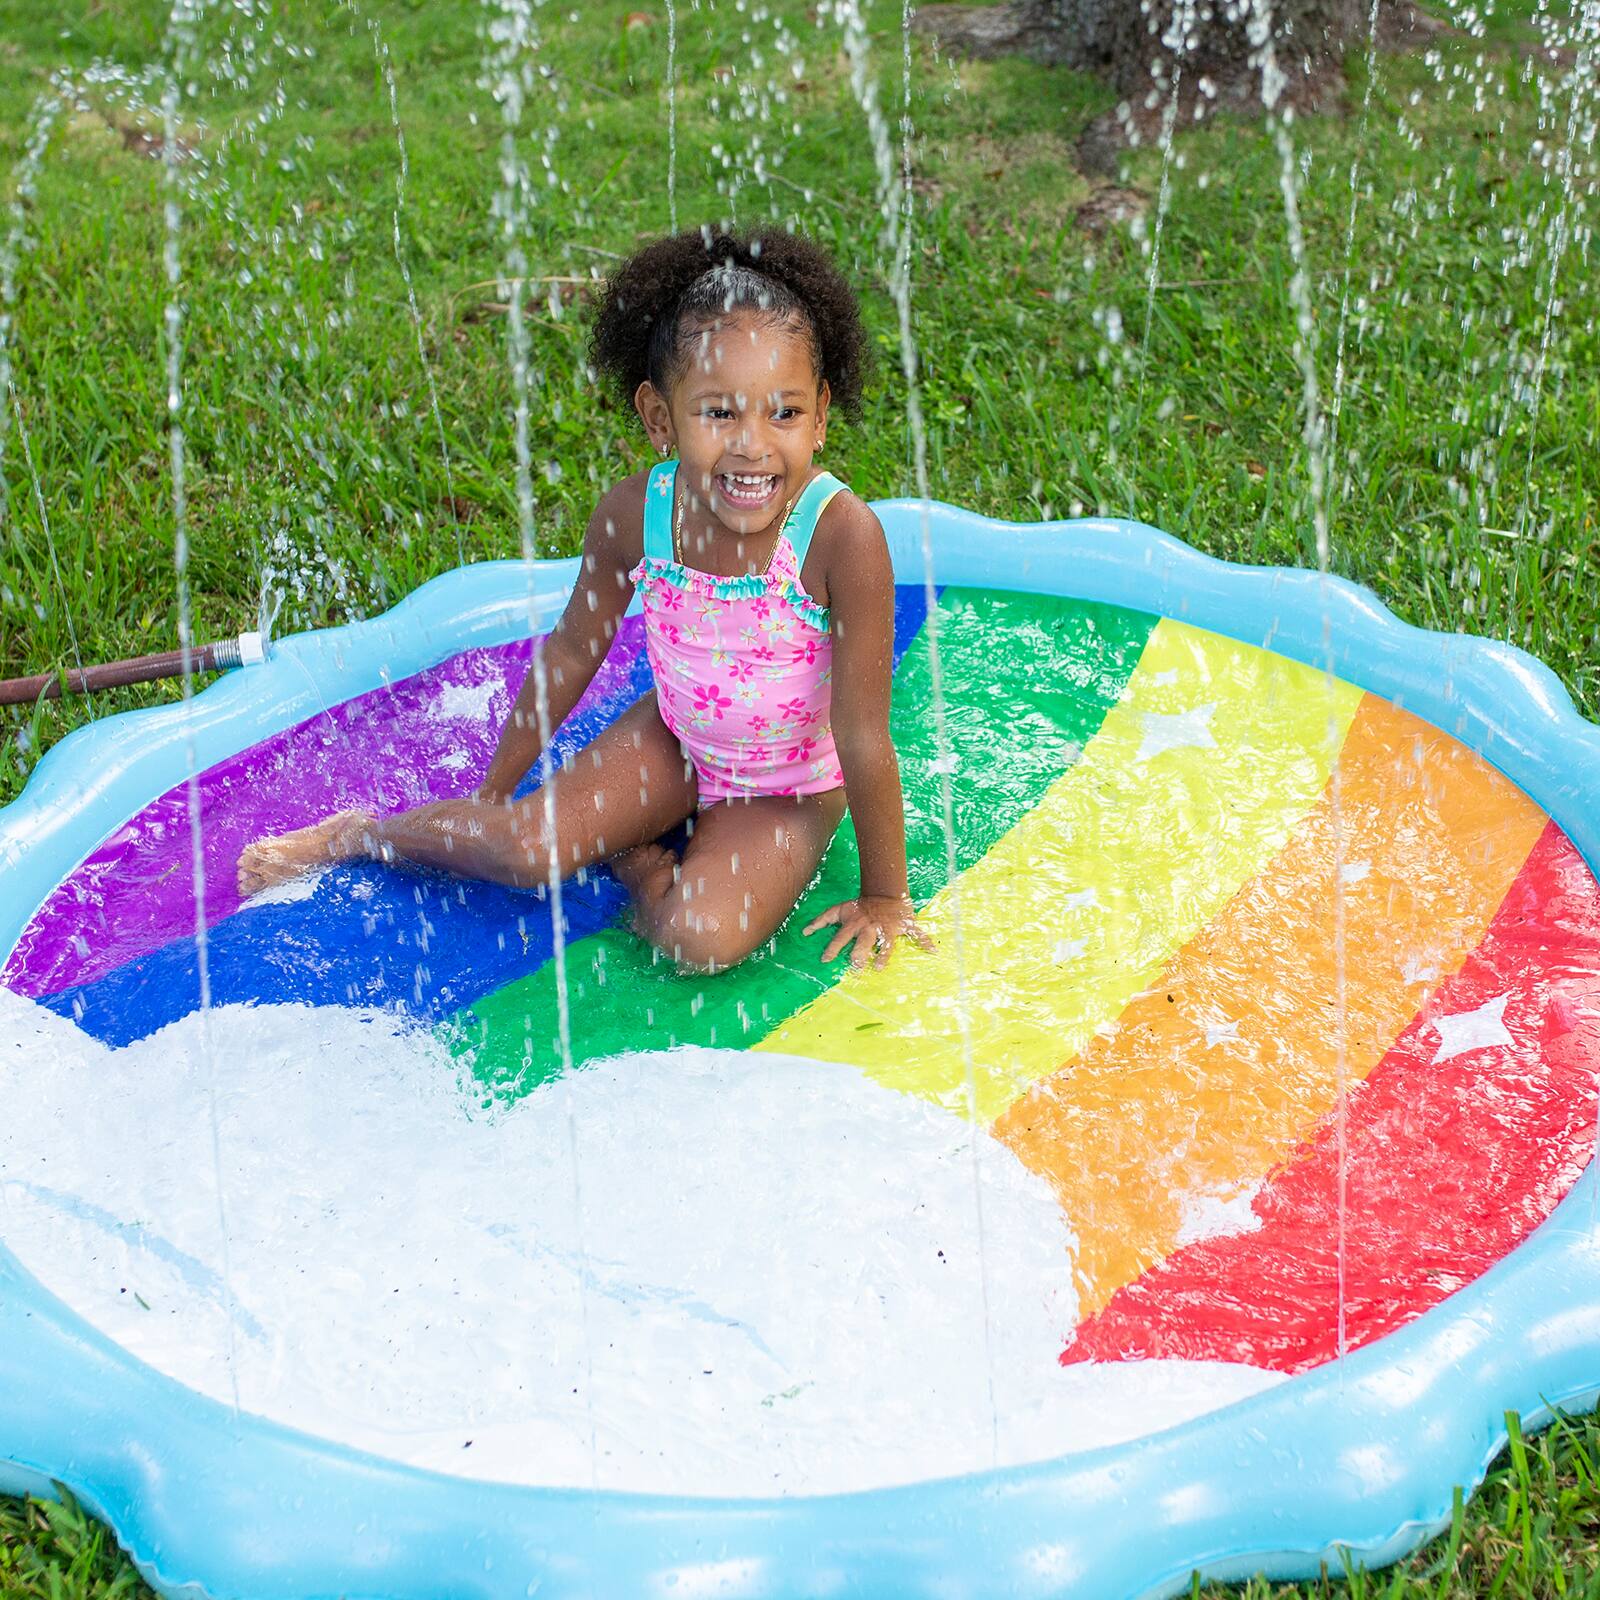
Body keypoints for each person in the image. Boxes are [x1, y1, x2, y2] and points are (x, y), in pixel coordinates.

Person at [237, 227, 929, 973]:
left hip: (789, 788)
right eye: (718, 413)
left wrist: (886, 894)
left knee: (698, 941)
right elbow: (572, 649)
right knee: (525, 851)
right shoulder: (637, 514)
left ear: (820, 414)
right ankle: (358, 835)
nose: (752, 445)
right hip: (676, 742)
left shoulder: (840, 537)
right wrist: (494, 798)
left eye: (784, 413)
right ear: (659, 417)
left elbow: (862, 735)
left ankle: (638, 862)